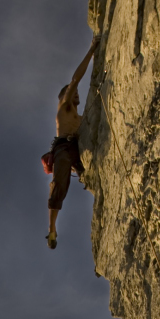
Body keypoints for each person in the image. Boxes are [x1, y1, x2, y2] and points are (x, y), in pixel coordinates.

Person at [43, 38, 98, 248]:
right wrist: (91, 50)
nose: (77, 95)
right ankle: (52, 228)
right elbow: (76, 78)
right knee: (60, 184)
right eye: (72, 93)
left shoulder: (81, 118)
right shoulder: (64, 109)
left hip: (77, 149)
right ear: (64, 97)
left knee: (90, 174)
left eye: (76, 94)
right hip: (63, 148)